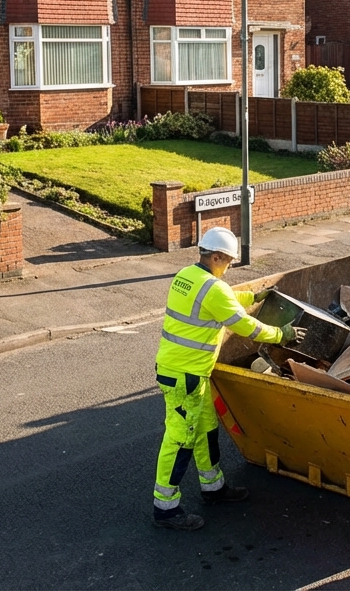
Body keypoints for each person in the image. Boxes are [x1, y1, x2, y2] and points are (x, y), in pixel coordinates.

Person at [152, 226, 299, 531]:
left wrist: (254, 295)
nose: (229, 265)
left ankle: (213, 489)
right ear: (216, 256)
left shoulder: (187, 276)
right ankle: (165, 509)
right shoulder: (212, 288)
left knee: (206, 429)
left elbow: (225, 297)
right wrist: (280, 335)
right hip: (185, 376)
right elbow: (245, 326)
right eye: (228, 261)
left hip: (188, 372)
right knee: (180, 439)